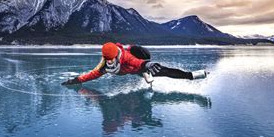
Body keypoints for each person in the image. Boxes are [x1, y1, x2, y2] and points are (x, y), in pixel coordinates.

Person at [61, 42, 208, 86]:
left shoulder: (126, 56)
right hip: (132, 70)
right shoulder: (105, 64)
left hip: (139, 65)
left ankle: (193, 75)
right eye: (108, 59)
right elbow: (92, 74)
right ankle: (144, 73)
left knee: (164, 71)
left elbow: (135, 61)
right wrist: (76, 80)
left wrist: (147, 65)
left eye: (113, 58)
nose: (111, 61)